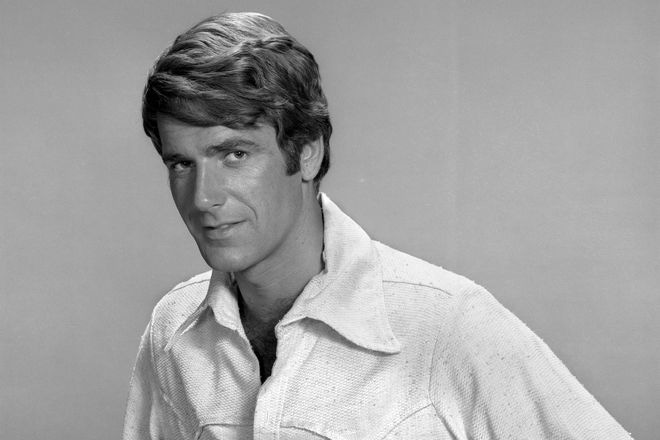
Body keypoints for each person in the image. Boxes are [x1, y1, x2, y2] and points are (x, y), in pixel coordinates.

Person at [123, 12, 633, 440]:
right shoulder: (173, 330)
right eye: (181, 163)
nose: (203, 198)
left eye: (234, 154)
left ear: (307, 153)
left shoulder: (447, 324)